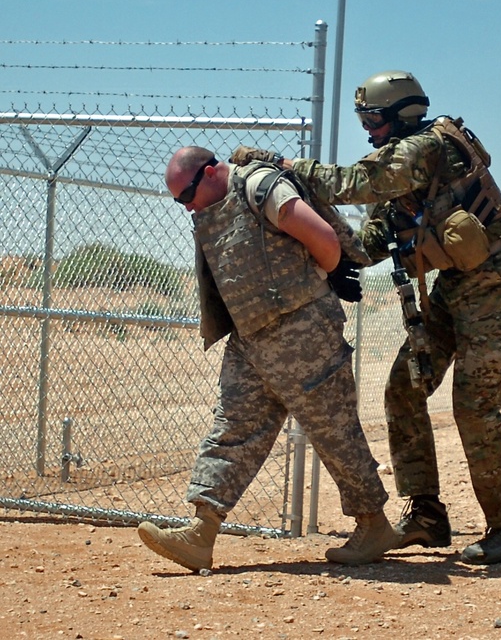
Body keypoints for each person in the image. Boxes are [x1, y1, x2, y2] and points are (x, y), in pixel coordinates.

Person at [230, 70, 501, 565]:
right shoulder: (400, 174)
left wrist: (283, 166)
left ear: (400, 115)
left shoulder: (424, 148)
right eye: (364, 119)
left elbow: (355, 182)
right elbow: (369, 244)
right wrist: (327, 254)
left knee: (474, 407)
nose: (367, 129)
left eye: (373, 118)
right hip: (456, 285)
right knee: (404, 389)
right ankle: (427, 516)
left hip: (495, 283)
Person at [137, 146, 397, 572]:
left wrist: (321, 279)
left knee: (332, 429)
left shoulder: (259, 186)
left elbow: (325, 242)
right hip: (251, 338)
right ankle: (201, 533)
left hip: (303, 334)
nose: (187, 208)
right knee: (232, 429)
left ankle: (374, 525)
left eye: (186, 196)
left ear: (210, 172)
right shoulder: (214, 211)